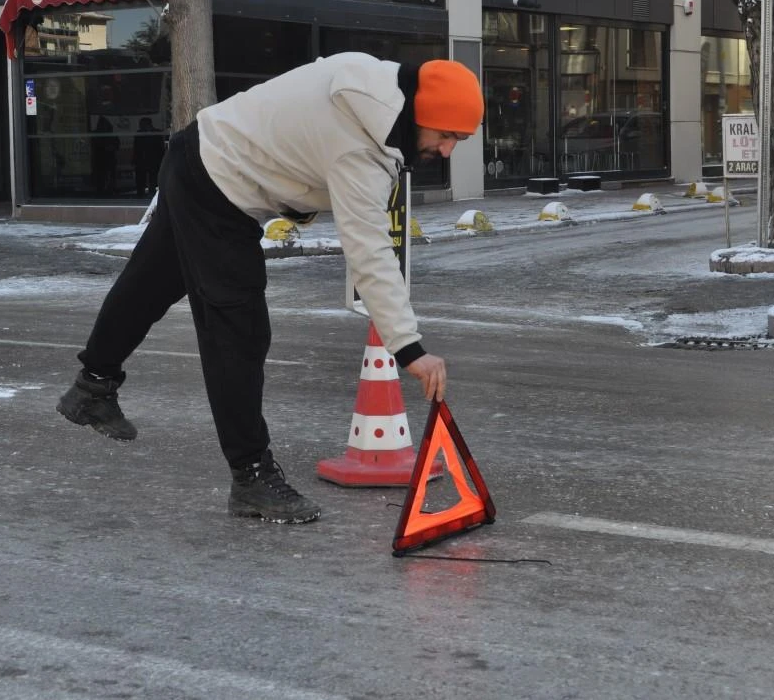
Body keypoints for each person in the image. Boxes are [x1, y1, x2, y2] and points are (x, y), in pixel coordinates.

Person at [56, 53, 483, 524]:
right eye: (446, 136)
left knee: (150, 283)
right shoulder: (360, 149)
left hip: (195, 149)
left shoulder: (366, 74)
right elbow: (370, 254)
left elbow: (293, 130)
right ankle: (251, 477)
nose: (447, 151)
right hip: (219, 189)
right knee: (239, 330)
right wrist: (409, 348)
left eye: (457, 141)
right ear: (421, 113)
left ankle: (92, 385)